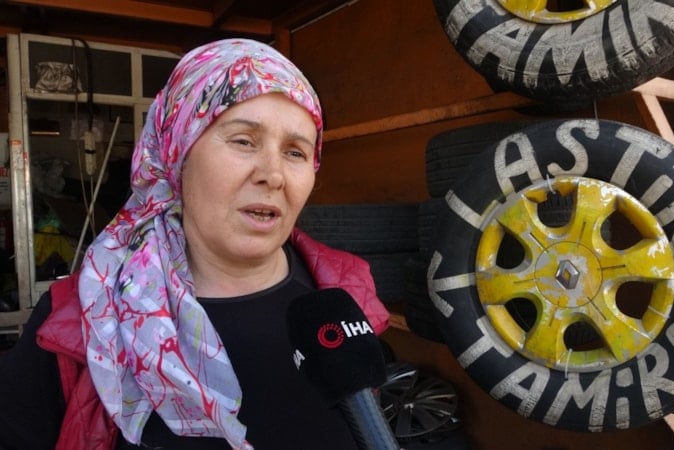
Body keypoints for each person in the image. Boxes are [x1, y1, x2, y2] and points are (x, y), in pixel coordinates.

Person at [0, 38, 390, 449]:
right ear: (177, 155)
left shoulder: (347, 293)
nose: (273, 175)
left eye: (295, 152)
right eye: (244, 141)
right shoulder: (82, 316)